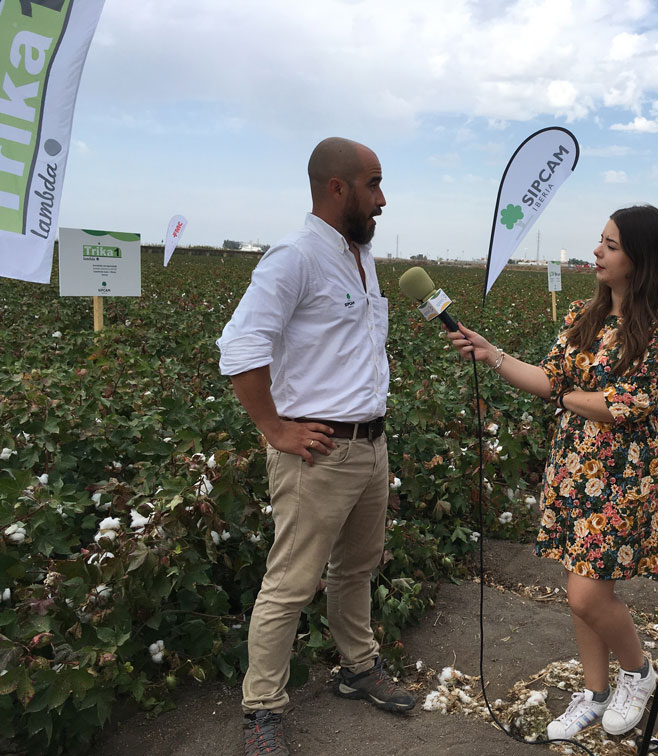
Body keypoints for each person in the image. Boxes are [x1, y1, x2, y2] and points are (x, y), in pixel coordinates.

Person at [447, 205, 658, 740]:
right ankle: (596, 694)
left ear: (642, 258)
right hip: (574, 465)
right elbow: (548, 377)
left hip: (625, 475)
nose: (597, 251)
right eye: (600, 240)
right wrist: (493, 355)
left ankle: (639, 672)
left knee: (587, 593)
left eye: (612, 245)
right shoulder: (586, 314)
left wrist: (565, 396)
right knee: (579, 586)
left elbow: (629, 403)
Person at [217, 137, 414, 756]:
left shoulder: (361, 255)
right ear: (338, 188)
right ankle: (262, 711)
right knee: (290, 584)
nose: (382, 200)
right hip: (318, 453)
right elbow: (239, 349)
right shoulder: (293, 259)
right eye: (373, 185)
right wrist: (276, 430)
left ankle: (358, 667)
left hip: (370, 447)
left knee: (356, 568)